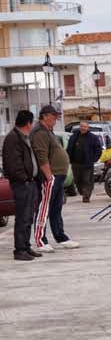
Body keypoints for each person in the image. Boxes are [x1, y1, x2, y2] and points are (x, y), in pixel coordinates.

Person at [31, 105, 79, 252]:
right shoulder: (39, 132)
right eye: (53, 116)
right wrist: (49, 176)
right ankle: (40, 240)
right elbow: (41, 156)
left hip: (58, 176)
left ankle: (61, 237)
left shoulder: (48, 131)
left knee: (56, 208)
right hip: (50, 176)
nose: (56, 119)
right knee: (44, 208)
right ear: (45, 116)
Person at [2, 110, 41, 260]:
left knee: (29, 217)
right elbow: (13, 164)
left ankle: (26, 246)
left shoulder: (24, 137)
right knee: (22, 217)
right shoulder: (13, 138)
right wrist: (24, 179)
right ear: (28, 123)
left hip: (29, 183)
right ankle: (19, 250)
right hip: (22, 184)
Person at [66, 121, 102, 202]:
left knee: (87, 180)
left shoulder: (93, 137)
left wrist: (94, 159)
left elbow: (98, 149)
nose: (83, 128)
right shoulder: (74, 136)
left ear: (88, 128)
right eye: (82, 126)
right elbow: (69, 148)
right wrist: (68, 157)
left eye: (85, 126)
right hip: (75, 163)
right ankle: (83, 192)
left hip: (87, 163)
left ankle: (86, 196)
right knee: (77, 180)